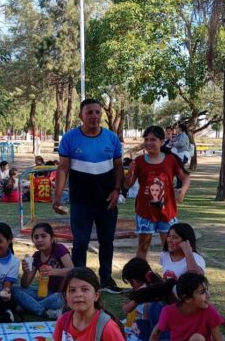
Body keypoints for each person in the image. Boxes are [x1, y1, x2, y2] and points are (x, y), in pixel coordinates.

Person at [52, 98, 123, 293]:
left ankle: (106, 278)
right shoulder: (70, 138)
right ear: (81, 115)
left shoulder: (111, 138)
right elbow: (63, 168)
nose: (94, 116)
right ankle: (79, 278)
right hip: (80, 201)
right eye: (89, 112)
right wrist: (57, 196)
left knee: (106, 241)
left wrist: (116, 190)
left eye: (97, 112)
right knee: (80, 242)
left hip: (106, 200)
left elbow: (118, 166)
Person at [125, 126, 191, 259]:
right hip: (145, 211)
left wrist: (182, 191)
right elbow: (127, 185)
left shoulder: (170, 160)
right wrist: (130, 172)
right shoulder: (139, 161)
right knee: (143, 246)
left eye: (153, 140)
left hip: (167, 211)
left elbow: (185, 177)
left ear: (161, 141)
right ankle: (140, 272)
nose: (148, 143)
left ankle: (170, 271)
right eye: (146, 139)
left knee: (170, 247)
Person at [12, 222, 72, 319]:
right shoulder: (36, 256)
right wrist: (26, 272)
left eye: (43, 236)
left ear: (51, 238)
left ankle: (28, 306)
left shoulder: (59, 249)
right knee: (14, 290)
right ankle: (44, 312)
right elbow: (25, 285)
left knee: (58, 298)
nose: (39, 240)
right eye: (36, 237)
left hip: (60, 295)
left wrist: (52, 271)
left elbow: (72, 271)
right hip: (45, 293)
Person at [120, 258, 173, 341]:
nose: (132, 286)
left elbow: (126, 309)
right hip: (152, 330)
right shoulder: (155, 285)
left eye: (132, 282)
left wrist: (142, 293)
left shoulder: (152, 292)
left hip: (158, 336)